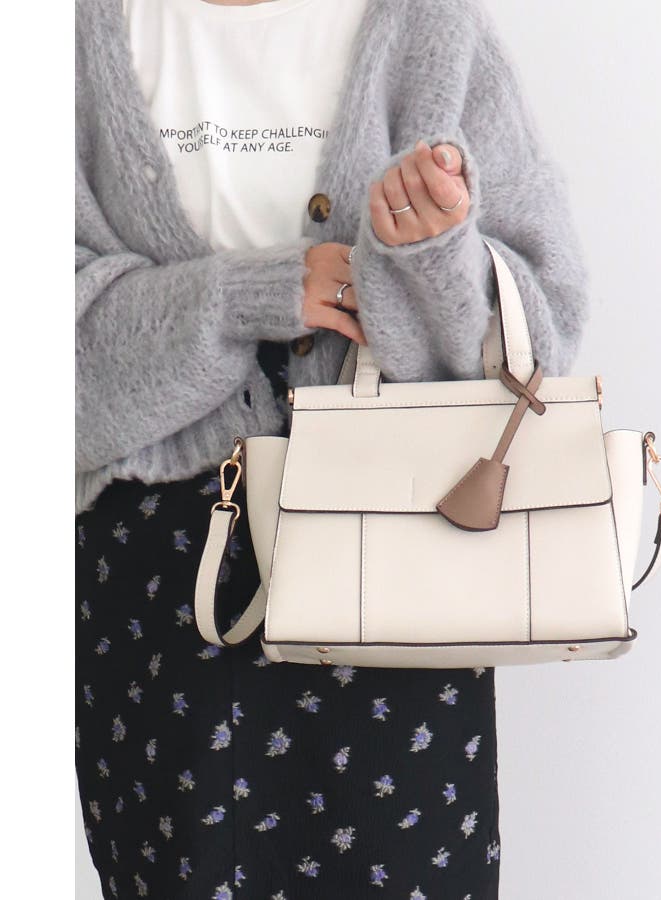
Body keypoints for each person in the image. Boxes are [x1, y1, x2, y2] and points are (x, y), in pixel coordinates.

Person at [75, 0, 592, 896]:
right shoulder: (66, 40)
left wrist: (435, 258)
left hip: (395, 581)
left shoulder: (429, 30)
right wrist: (255, 295)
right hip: (158, 602)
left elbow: (540, 344)